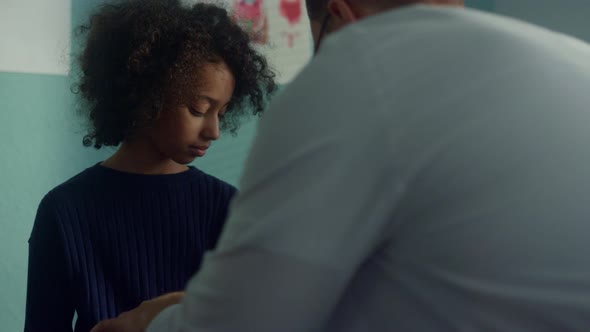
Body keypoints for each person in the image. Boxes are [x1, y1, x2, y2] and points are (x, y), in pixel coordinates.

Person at [93, 0, 590, 331]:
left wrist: (146, 322)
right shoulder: (574, 62)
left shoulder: (362, 63)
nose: (215, 132)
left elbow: (247, 322)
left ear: (338, 17)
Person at [24, 0, 276, 331]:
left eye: (222, 112)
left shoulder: (227, 208)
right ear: (146, 95)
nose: (214, 131)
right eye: (199, 109)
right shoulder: (64, 211)